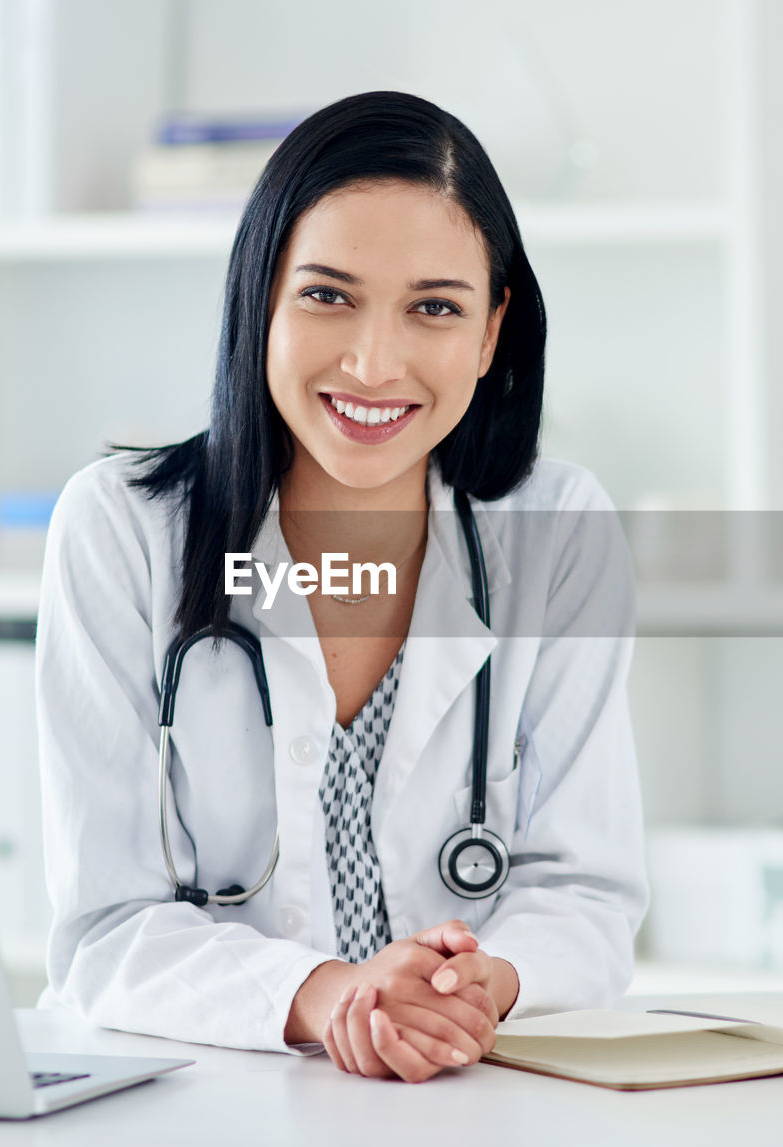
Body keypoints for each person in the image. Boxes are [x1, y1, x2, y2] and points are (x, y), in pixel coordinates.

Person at [35, 90, 647, 1083]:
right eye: (327, 294)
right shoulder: (120, 528)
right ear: (259, 297)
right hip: (198, 1096)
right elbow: (105, 924)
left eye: (434, 308)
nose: (374, 361)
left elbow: (583, 888)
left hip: (464, 1092)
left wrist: (482, 983)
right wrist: (331, 995)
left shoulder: (556, 531)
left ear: (490, 334)